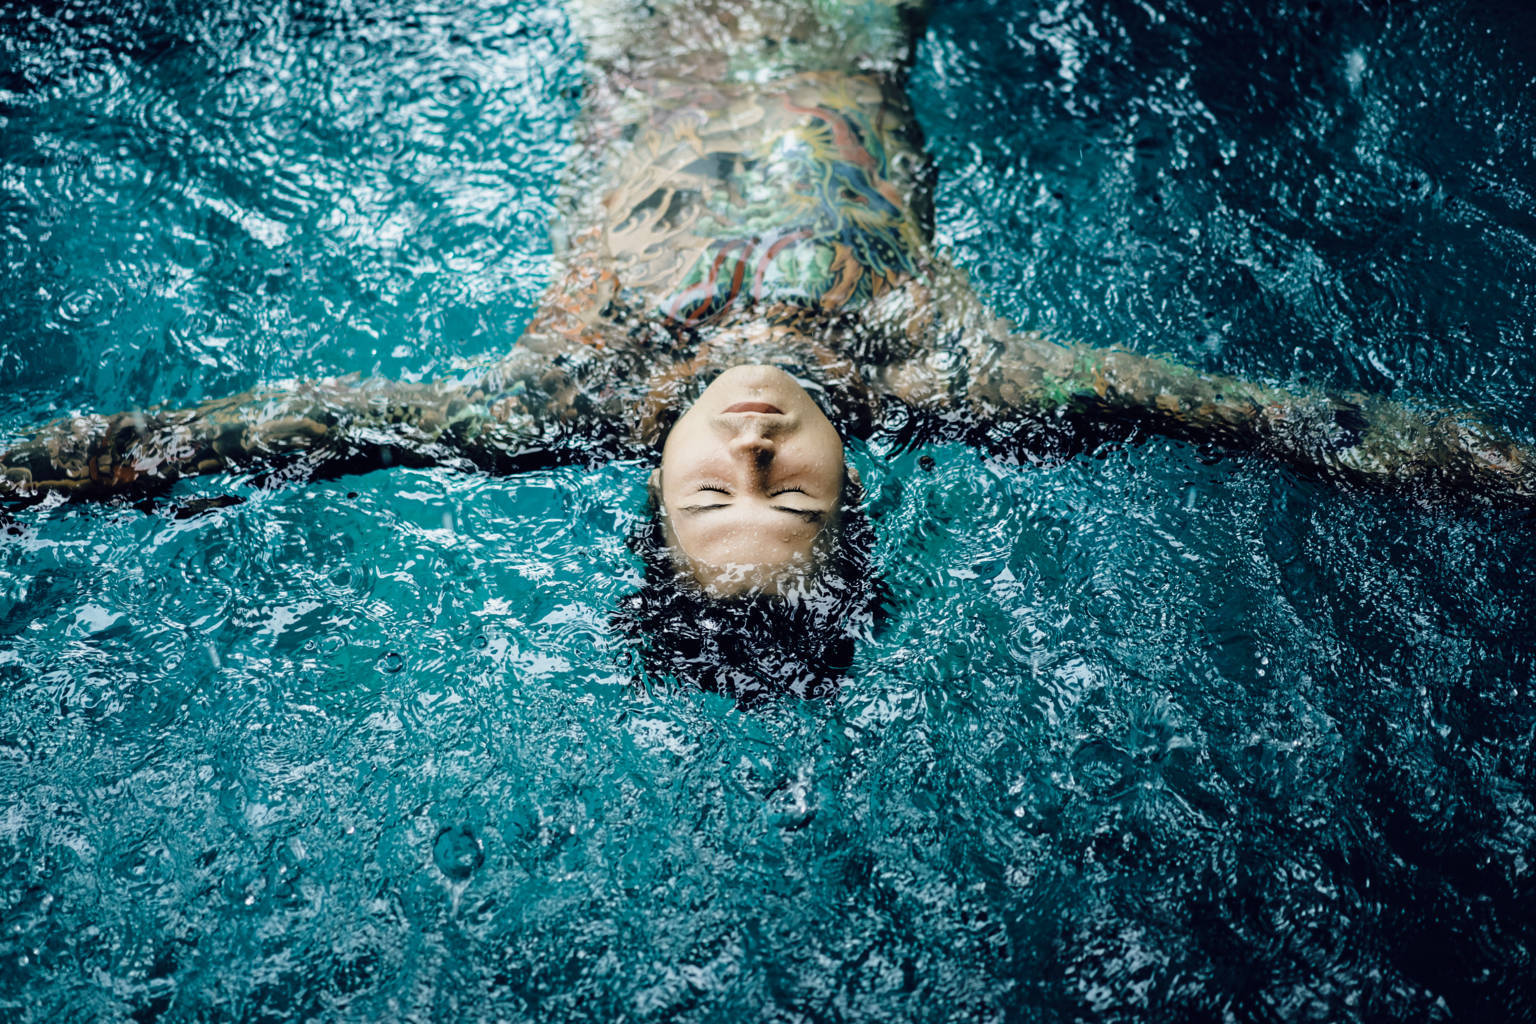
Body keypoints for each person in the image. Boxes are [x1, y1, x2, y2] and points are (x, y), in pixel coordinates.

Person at [2, 0, 1531, 699]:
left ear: (644, 489)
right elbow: (1279, 420)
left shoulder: (561, 398)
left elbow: (258, 435)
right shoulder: (953, 372)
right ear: (854, 485)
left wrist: (26, 476)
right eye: (788, 498)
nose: (748, 451)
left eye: (708, 498)